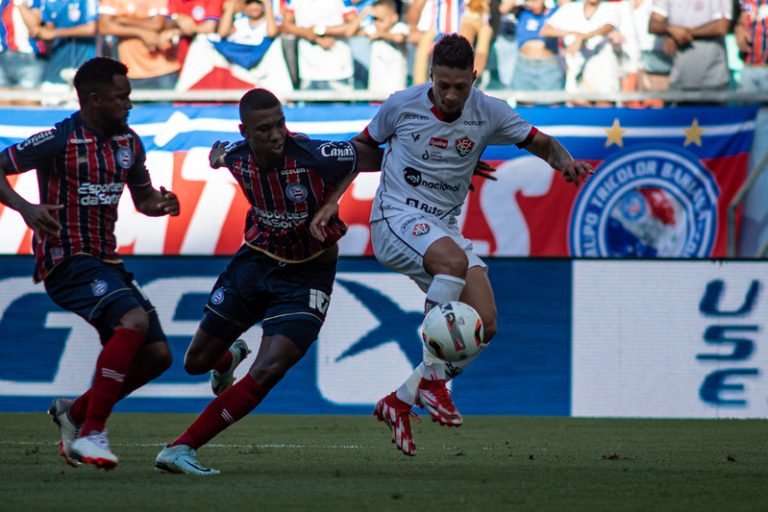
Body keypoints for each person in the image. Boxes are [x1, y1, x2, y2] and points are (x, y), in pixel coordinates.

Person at [310, 33, 591, 456]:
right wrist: (333, 201)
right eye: (443, 84)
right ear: (430, 76)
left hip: (442, 225)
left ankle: (400, 400)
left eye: (461, 86)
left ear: (474, 78)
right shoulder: (401, 104)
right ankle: (436, 383)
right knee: (453, 263)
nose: (451, 94)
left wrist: (564, 162)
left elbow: (542, 143)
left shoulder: (489, 112)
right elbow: (361, 151)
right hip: (395, 215)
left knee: (485, 324)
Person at [153, 87, 383, 475]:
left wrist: (331, 202)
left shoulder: (315, 154)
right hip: (254, 263)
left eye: (280, 125)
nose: (276, 135)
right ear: (245, 132)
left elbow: (373, 155)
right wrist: (214, 158)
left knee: (271, 366)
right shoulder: (235, 157)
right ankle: (229, 358)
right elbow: (217, 154)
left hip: (308, 272)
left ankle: (180, 448)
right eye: (264, 129)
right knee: (196, 362)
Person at [0, 57, 180, 470]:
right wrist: (26, 208)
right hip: (66, 259)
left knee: (157, 356)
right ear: (95, 99)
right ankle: (91, 432)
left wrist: (163, 204)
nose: (129, 105)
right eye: (122, 98)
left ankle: (76, 413)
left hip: (106, 261)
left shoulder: (128, 143)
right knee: (133, 322)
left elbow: (144, 199)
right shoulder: (57, 140)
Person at [648, 0, 732, 93]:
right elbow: (653, 24)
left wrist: (684, 33)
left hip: (712, 81)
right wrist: (670, 29)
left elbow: (721, 26)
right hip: (678, 81)